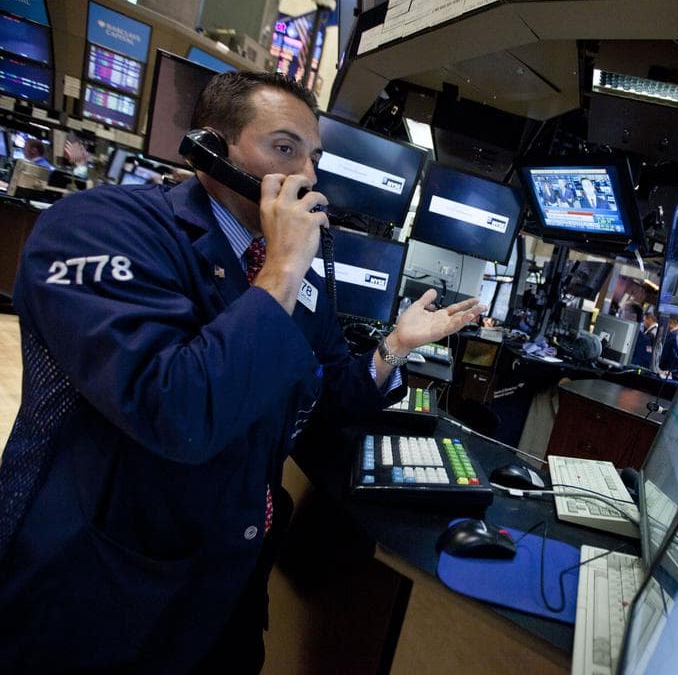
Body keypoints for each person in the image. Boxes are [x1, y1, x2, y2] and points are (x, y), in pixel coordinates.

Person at [0, 71, 482, 673]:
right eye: (284, 148)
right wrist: (279, 270)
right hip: (100, 588)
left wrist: (394, 348)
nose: (306, 176)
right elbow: (177, 409)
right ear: (212, 147)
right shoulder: (98, 227)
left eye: (313, 156)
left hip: (225, 588)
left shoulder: (294, 275)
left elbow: (332, 396)